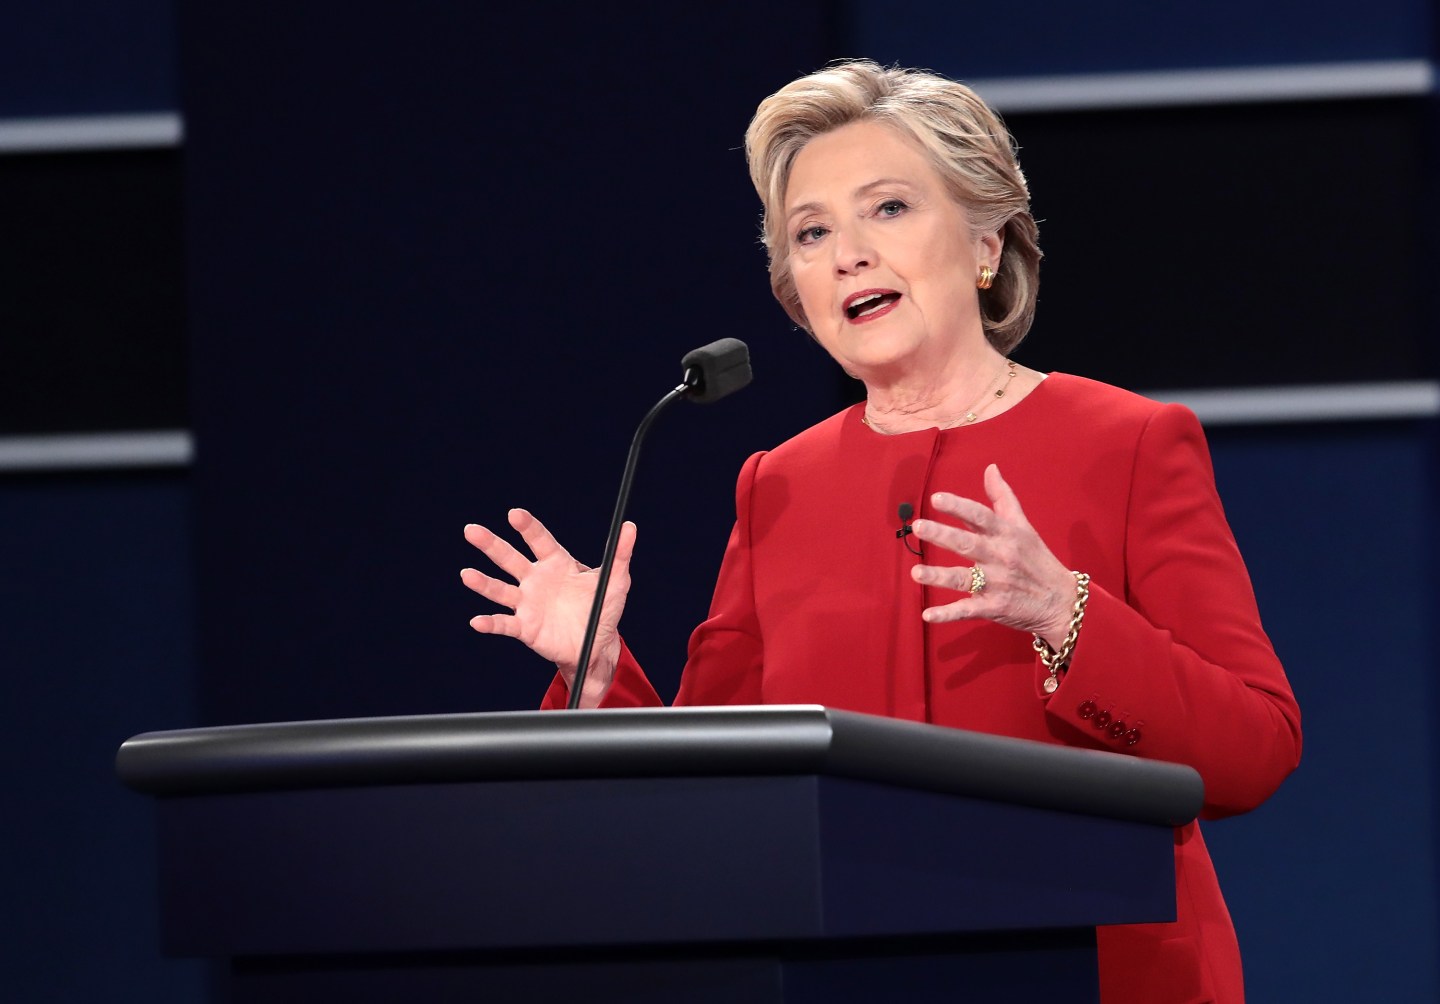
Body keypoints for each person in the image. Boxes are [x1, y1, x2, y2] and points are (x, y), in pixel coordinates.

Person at [460, 59, 1300, 1004]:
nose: (847, 254)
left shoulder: (1129, 443)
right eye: (812, 232)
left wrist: (1065, 613)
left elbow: (1254, 751)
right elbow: (710, 796)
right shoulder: (779, 486)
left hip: (1104, 976)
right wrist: (597, 674)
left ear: (985, 244)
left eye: (888, 208)